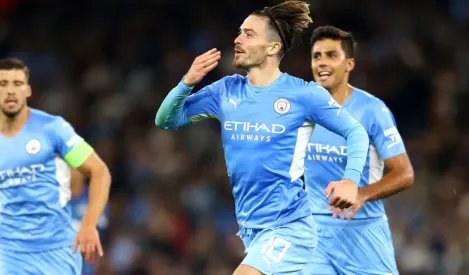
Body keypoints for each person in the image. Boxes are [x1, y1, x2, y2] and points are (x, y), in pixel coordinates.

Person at [155, 1, 370, 275]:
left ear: (273, 48)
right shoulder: (225, 91)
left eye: (249, 34)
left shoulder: (303, 94)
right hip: (251, 231)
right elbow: (166, 120)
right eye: (239, 32)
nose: (238, 39)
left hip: (289, 226)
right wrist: (187, 82)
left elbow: (356, 132)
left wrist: (351, 180)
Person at [302, 26, 415, 275]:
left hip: (363, 233)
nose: (322, 62)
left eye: (331, 55)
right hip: (316, 236)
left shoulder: (372, 110)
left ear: (349, 64)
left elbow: (404, 174)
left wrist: (361, 194)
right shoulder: (302, 110)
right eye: (316, 56)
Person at [0, 57, 111, 274]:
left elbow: (98, 171)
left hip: (56, 252)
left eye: (17, 84)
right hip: (8, 253)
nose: (10, 91)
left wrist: (89, 224)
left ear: (28, 90)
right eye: (3, 84)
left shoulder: (52, 129)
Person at [71, 167, 109, 275]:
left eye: (73, 168)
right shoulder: (52, 198)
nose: (70, 171)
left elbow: (100, 239)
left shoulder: (95, 199)